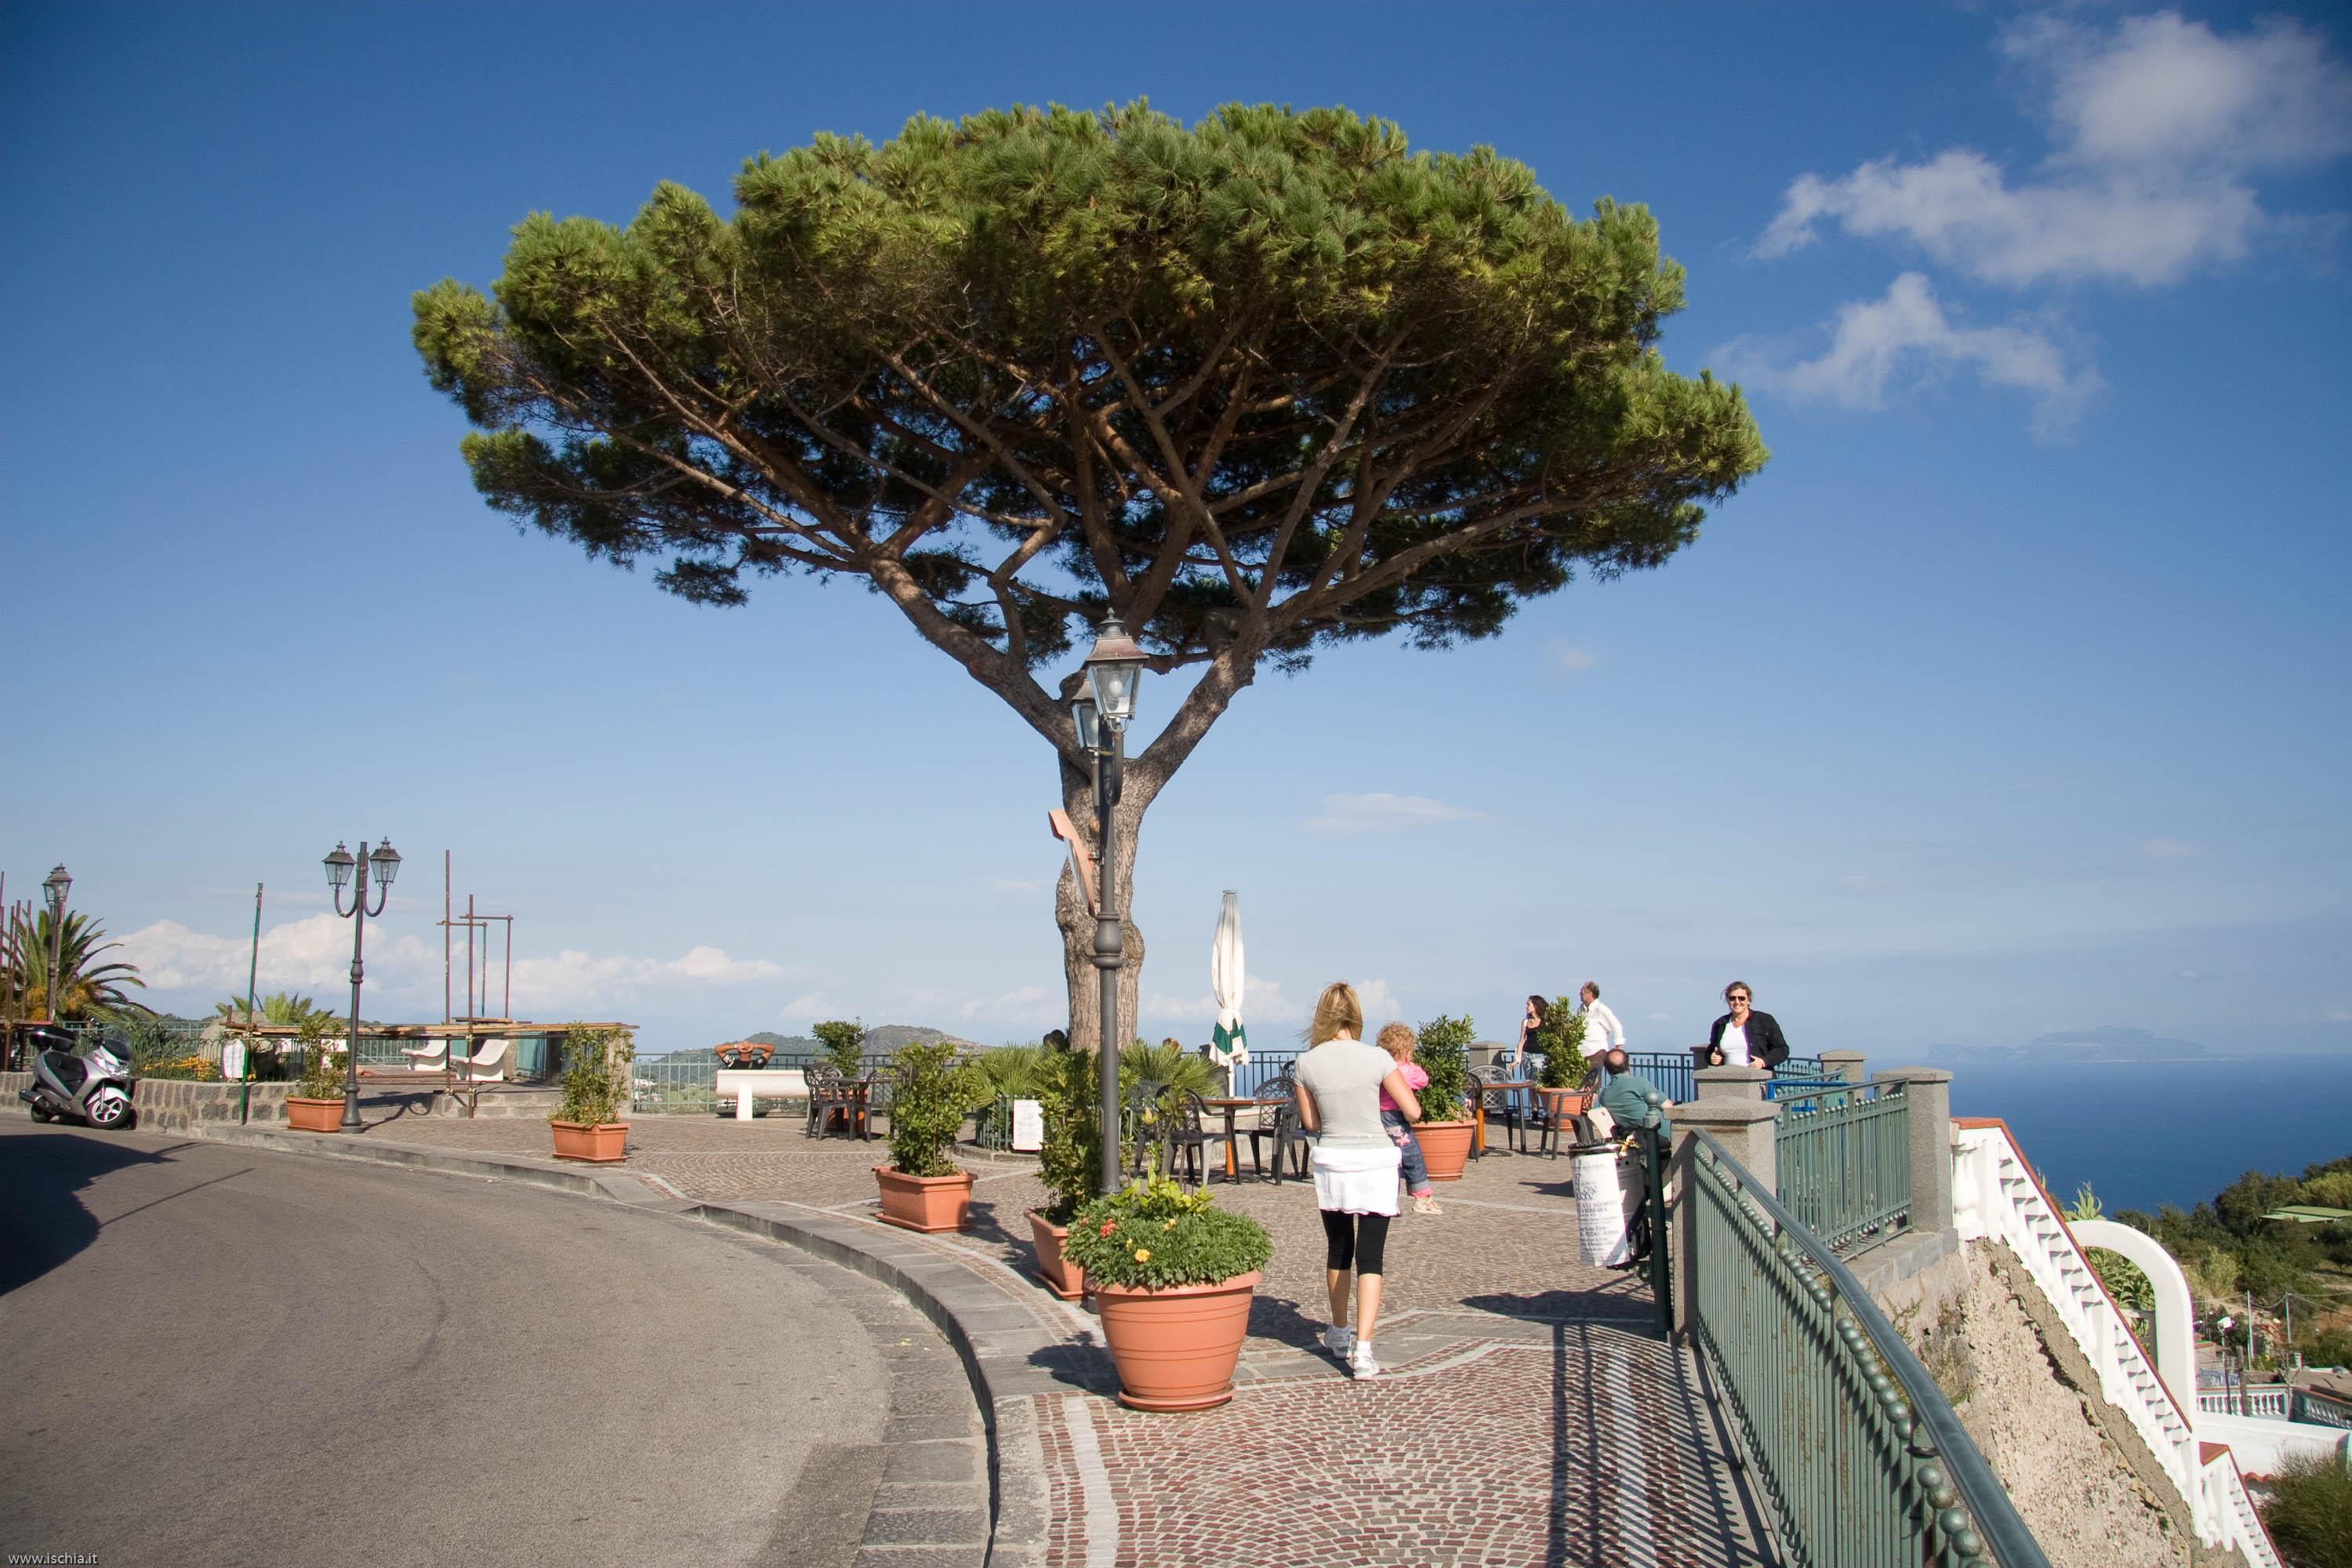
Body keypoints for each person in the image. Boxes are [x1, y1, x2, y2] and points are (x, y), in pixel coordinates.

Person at [1294, 982, 1421, 1380]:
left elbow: (1311, 1122)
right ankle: (1363, 1352)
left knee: (1339, 1249)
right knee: (1371, 1256)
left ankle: (1339, 1332)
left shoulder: (1306, 1063)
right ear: (1356, 1015)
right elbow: (1413, 1111)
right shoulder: (1377, 1057)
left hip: (1333, 1161)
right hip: (1376, 1163)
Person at [1376, 1022, 1440, 1217]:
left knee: (1389, 1164)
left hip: (1377, 1118)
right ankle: (1422, 1197)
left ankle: (1390, 1202)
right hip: (1396, 1119)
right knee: (1412, 1156)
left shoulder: (1379, 1068)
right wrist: (1412, 1065)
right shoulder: (1404, 1070)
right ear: (1406, 1052)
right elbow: (1423, 1080)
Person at [1704, 981, 1788, 1069]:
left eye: (1741, 998)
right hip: (1728, 1076)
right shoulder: (1720, 1024)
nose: (1737, 1002)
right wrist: (1713, 1058)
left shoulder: (1764, 1020)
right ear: (1728, 1000)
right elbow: (1711, 1050)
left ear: (1748, 1000)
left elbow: (1782, 1049)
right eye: (1732, 998)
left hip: (1757, 1075)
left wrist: (1763, 1061)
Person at [1596, 1047, 1671, 1143]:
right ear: (1629, 1064)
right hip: (1663, 1136)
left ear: (1607, 1070)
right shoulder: (1639, 1083)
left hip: (1637, 1140)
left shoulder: (1604, 1095)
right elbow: (1668, 1107)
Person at [1578, 983, 1625, 1076]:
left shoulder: (1601, 1009)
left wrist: (1618, 1048)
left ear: (1590, 994)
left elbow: (1616, 1026)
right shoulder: (1581, 1009)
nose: (1580, 995)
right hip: (1583, 1051)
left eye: (1582, 993)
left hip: (1596, 1051)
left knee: (1592, 1080)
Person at [1510, 993, 1547, 1074]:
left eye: (1528, 1004)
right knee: (1528, 1080)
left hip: (1539, 1056)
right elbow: (1521, 1041)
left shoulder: (1545, 1022)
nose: (1526, 1006)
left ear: (1535, 1006)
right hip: (1526, 1055)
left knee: (1537, 1079)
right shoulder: (1525, 1022)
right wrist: (1517, 1059)